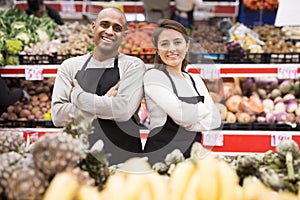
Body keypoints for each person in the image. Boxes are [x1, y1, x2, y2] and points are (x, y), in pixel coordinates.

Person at [51, 7, 146, 165]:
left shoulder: (133, 66)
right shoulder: (69, 66)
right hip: (80, 158)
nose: (109, 31)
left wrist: (77, 97)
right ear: (93, 27)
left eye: (117, 28)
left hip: (124, 159)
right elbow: (58, 116)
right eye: (105, 25)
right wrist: (105, 101)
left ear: (123, 35)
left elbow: (122, 111)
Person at [143, 19, 221, 164]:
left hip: (192, 159)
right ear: (157, 50)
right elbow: (183, 116)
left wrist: (191, 116)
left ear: (187, 45)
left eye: (177, 42)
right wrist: (202, 112)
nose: (172, 49)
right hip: (160, 160)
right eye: (165, 44)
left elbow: (214, 120)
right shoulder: (153, 77)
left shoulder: (194, 79)